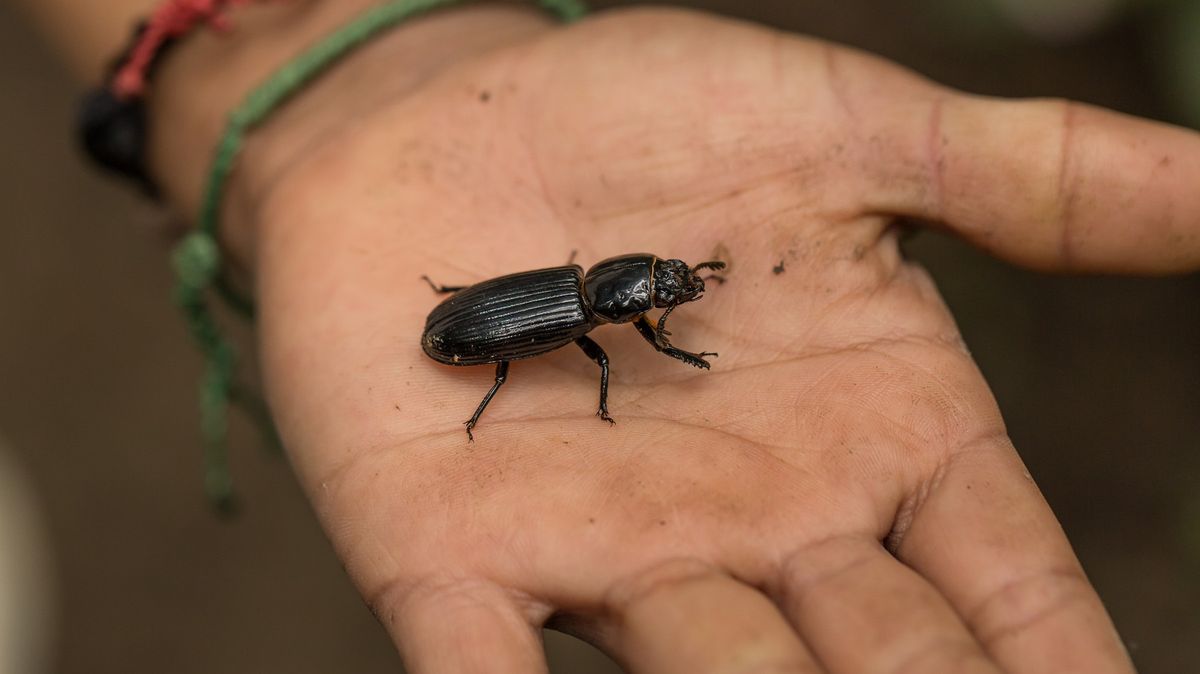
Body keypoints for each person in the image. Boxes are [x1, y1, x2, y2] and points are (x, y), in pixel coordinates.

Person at [14, 1, 1200, 672]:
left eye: (665, 294)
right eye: (662, 295)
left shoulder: (592, 293)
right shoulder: (582, 311)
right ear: (624, 298)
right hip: (470, 324)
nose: (667, 296)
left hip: (476, 303)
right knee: (547, 357)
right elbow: (506, 327)